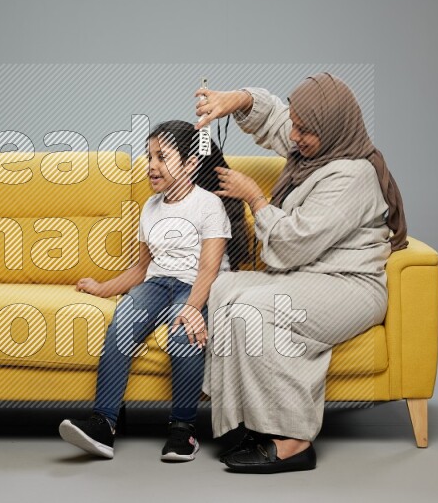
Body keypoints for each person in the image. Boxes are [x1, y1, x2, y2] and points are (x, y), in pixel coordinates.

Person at [195, 73, 408, 473]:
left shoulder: (351, 175)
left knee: (258, 309)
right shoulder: (315, 150)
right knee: (223, 287)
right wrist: (235, 99)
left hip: (349, 284)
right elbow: (275, 117)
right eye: (295, 124)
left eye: (303, 129)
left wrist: (255, 197)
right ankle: (248, 421)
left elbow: (290, 246)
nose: (293, 135)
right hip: (312, 274)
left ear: (330, 129)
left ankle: (294, 440)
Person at [58, 120, 249, 461]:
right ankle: (103, 424)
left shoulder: (209, 205)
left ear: (190, 164)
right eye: (149, 157)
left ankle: (183, 430)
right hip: (157, 284)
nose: (152, 165)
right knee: (122, 322)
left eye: (162, 157)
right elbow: (141, 268)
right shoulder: (150, 208)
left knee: (182, 334)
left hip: (195, 286)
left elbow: (208, 269)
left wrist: (192, 309)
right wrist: (102, 288)